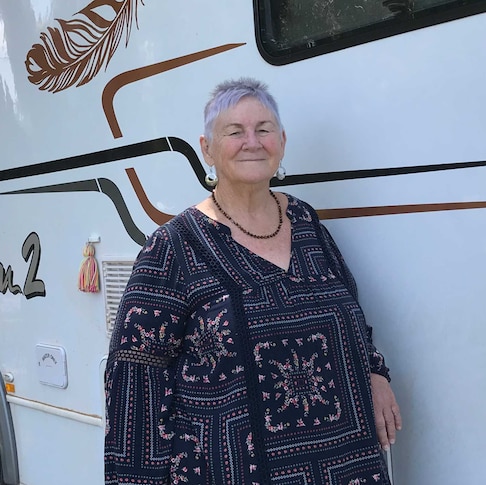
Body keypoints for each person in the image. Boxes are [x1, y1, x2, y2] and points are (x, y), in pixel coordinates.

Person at [105, 78, 401, 485]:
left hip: (345, 464)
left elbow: (349, 310)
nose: (252, 142)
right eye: (234, 131)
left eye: (263, 129)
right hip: (230, 469)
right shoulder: (173, 246)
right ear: (206, 147)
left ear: (281, 141)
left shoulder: (306, 222)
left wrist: (374, 372)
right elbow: (135, 377)